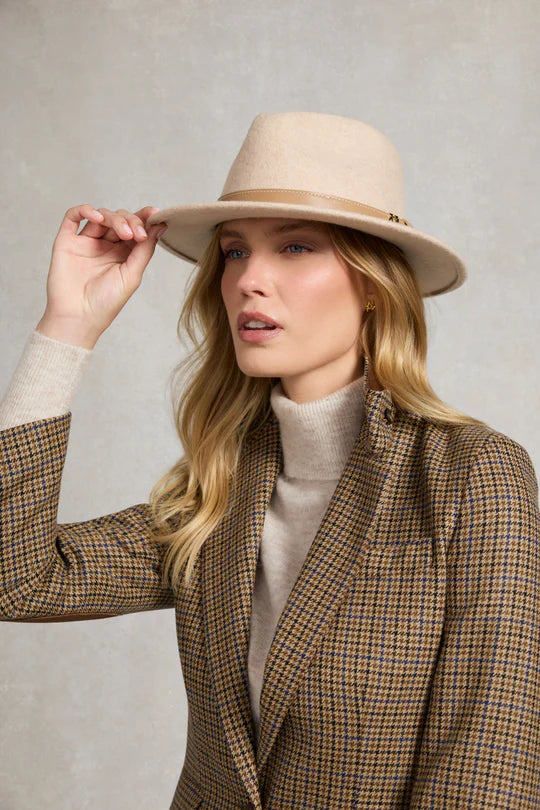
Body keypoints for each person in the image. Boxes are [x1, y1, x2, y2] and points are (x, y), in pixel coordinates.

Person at [0, 111, 538, 809]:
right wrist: (67, 327)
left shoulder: (469, 476)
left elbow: (488, 764)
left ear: (374, 283)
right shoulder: (221, 486)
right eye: (234, 252)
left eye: (295, 247)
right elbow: (17, 580)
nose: (250, 279)